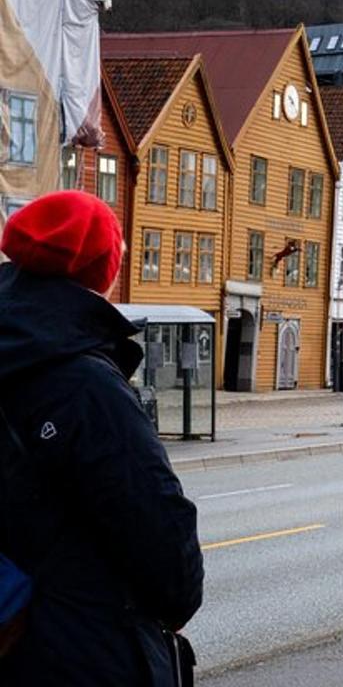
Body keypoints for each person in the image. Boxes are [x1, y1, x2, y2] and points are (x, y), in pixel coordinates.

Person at [0, 191, 204, 686]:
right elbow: (159, 531)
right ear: (102, 272)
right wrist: (176, 597)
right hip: (73, 647)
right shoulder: (86, 384)